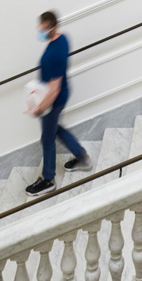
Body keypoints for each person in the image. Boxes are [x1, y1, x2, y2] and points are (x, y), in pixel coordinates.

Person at [25, 10, 92, 195]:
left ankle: (48, 179)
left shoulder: (52, 55)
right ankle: (82, 157)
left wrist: (39, 108)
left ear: (53, 27)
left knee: (47, 139)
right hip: (62, 94)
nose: (41, 31)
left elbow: (53, 89)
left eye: (44, 28)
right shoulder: (63, 39)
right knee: (56, 130)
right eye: (40, 26)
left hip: (53, 99)